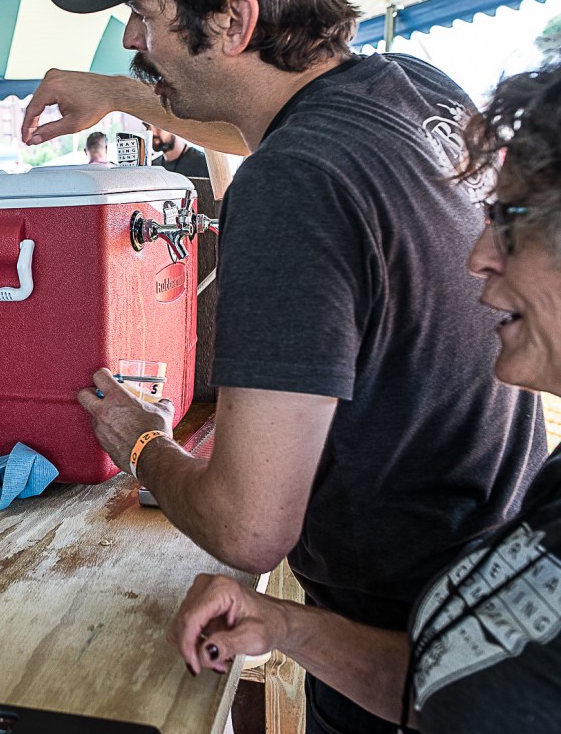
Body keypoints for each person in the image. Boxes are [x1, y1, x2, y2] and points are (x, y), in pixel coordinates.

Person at [21, 0, 545, 731]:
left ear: (234, 20)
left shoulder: (290, 184)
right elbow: (260, 124)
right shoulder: (414, 87)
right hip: (500, 589)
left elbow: (247, 527)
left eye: (144, 15)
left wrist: (142, 444)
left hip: (402, 656)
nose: (132, 38)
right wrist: (120, 93)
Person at [169, 63, 561, 731]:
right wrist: (286, 626)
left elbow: (246, 527)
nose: (479, 256)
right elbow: (441, 681)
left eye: (510, 218)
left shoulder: (296, 171)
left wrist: (143, 444)